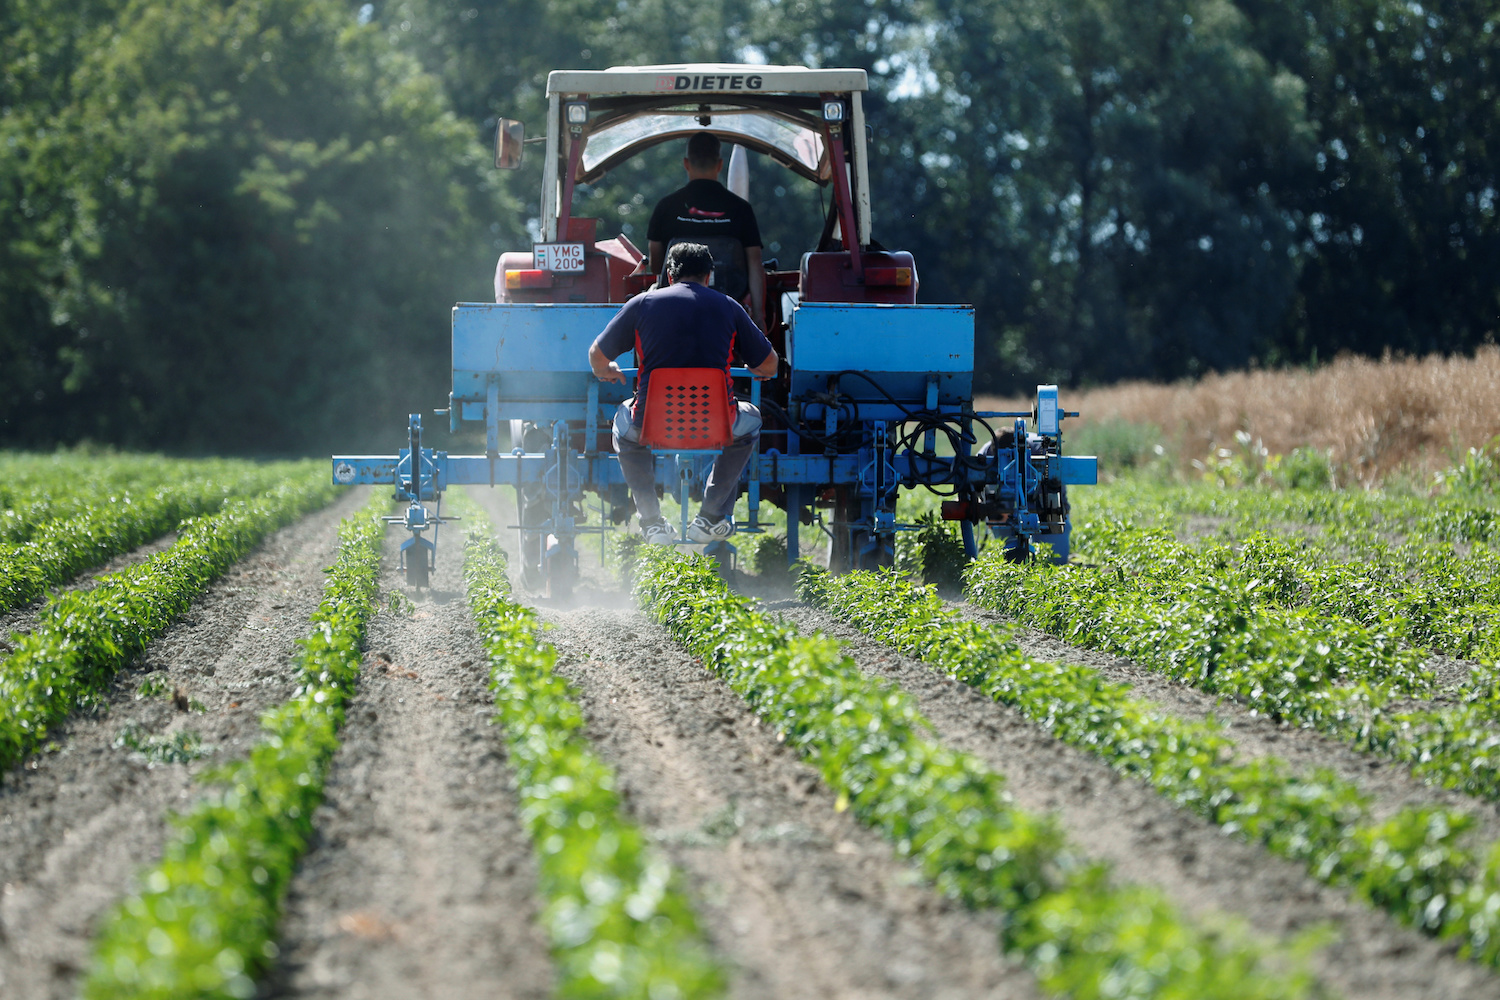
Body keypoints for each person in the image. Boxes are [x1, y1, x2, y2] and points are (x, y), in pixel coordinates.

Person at [590, 242, 778, 544]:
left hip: (651, 425)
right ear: (709, 276)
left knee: (624, 433)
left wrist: (606, 370)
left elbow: (596, 355)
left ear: (668, 274)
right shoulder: (729, 306)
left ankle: (652, 522)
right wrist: (757, 369)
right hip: (716, 424)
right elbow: (769, 365)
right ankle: (710, 517)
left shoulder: (641, 304)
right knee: (751, 422)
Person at [644, 132, 767, 329]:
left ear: (686, 163)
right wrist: (759, 316)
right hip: (728, 308)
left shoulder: (666, 207)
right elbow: (754, 262)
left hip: (675, 311)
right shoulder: (741, 209)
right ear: (720, 165)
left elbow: (657, 266)